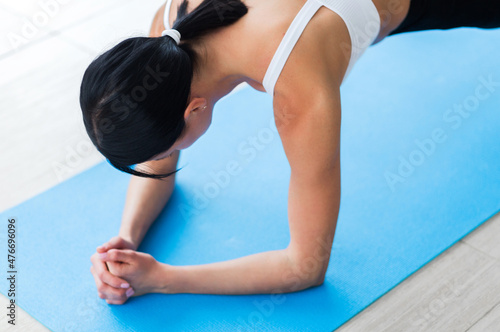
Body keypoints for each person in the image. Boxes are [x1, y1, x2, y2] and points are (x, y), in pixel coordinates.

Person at [83, 0, 500, 304]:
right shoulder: (166, 35)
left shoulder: (297, 86)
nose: (161, 160)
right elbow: (159, 158)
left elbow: (306, 266)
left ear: (194, 109)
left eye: (167, 146)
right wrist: (127, 237)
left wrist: (162, 278)